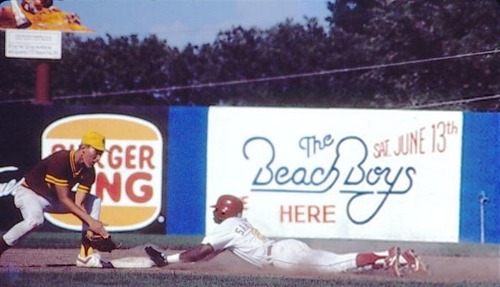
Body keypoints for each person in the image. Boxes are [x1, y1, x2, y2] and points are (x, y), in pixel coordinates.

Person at [146, 194, 426, 277]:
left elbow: (201, 252)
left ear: (222, 211)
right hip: (285, 247)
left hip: (281, 257)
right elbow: (206, 254)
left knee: (335, 264)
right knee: (339, 269)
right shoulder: (239, 223)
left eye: (217, 210)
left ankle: (386, 255)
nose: (214, 214)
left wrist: (166, 260)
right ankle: (395, 261)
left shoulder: (227, 227)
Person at [0, 131, 114, 268]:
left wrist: (90, 227)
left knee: (93, 200)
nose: (98, 158)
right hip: (30, 193)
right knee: (35, 221)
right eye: (96, 152)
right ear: (83, 149)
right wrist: (91, 221)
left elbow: (79, 203)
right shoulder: (61, 160)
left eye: (101, 154)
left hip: (53, 199)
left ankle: (85, 256)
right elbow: (64, 199)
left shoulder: (89, 171)